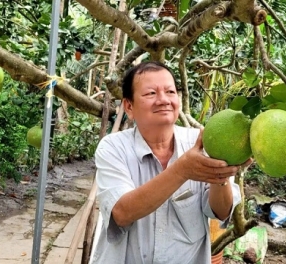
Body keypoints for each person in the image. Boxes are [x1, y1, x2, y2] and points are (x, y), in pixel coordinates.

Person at [90, 61, 252, 264]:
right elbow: (122, 212)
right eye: (151, 93)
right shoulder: (113, 148)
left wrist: (220, 174)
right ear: (129, 107)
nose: (163, 100)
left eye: (170, 91)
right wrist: (182, 170)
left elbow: (220, 212)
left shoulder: (202, 143)